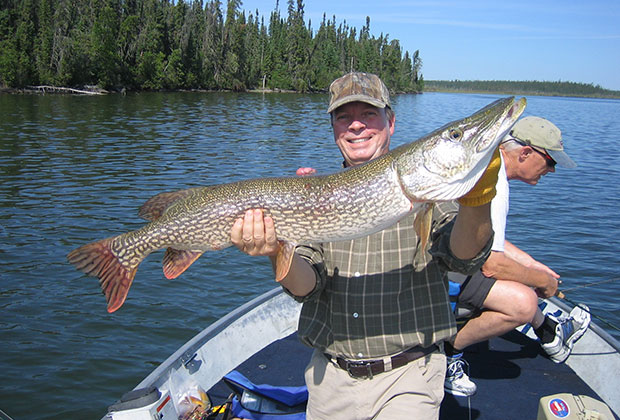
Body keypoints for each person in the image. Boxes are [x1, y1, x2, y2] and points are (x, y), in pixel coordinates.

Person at [229, 71, 499, 419]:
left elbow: (464, 258)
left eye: (368, 114)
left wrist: (477, 200)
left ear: (391, 122)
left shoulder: (432, 194)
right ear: (334, 130)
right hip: (331, 380)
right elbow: (306, 287)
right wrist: (275, 249)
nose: (356, 125)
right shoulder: (313, 195)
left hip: (409, 375)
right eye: (344, 117)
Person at [444, 116, 591, 397]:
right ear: (525, 152)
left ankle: (549, 331)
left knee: (523, 274)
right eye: (550, 162)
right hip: (441, 277)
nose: (552, 171)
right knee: (524, 302)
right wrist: (541, 281)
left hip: (450, 263)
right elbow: (492, 264)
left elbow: (481, 236)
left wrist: (530, 264)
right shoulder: (494, 182)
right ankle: (449, 350)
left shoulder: (487, 164)